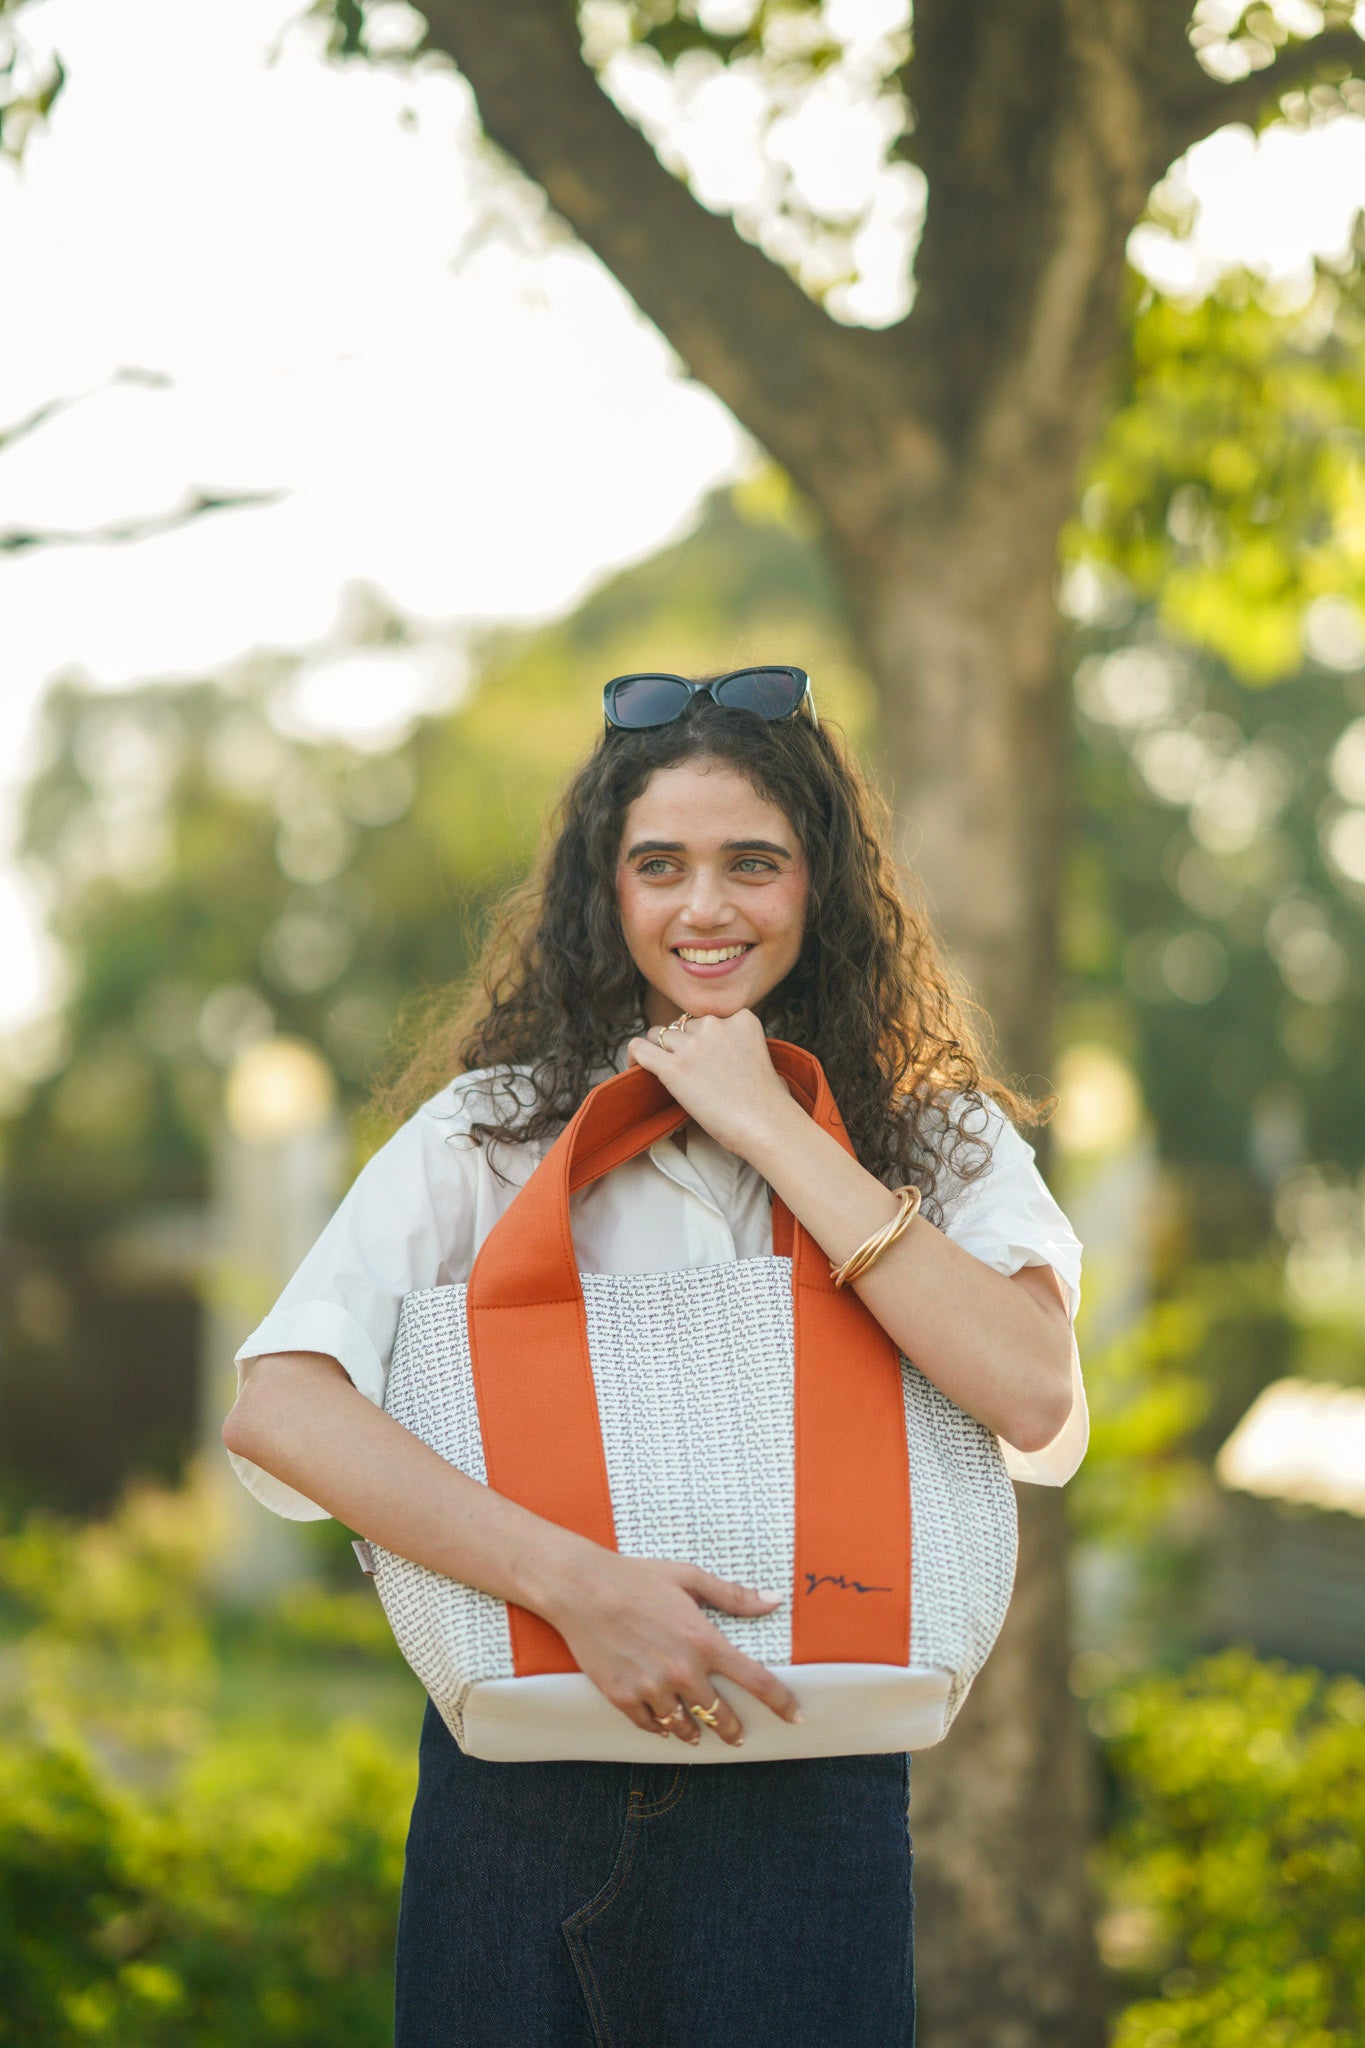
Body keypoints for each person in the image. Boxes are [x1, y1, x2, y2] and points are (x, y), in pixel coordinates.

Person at [220, 664, 1087, 2048]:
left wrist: (771, 1128)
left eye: (753, 863)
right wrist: (581, 1589)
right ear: (605, 890)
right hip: (521, 1797)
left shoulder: (939, 1136)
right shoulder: (490, 1133)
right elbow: (282, 1410)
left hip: (811, 1791)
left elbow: (1032, 1389)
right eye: (658, 866)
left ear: (820, 883)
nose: (703, 908)